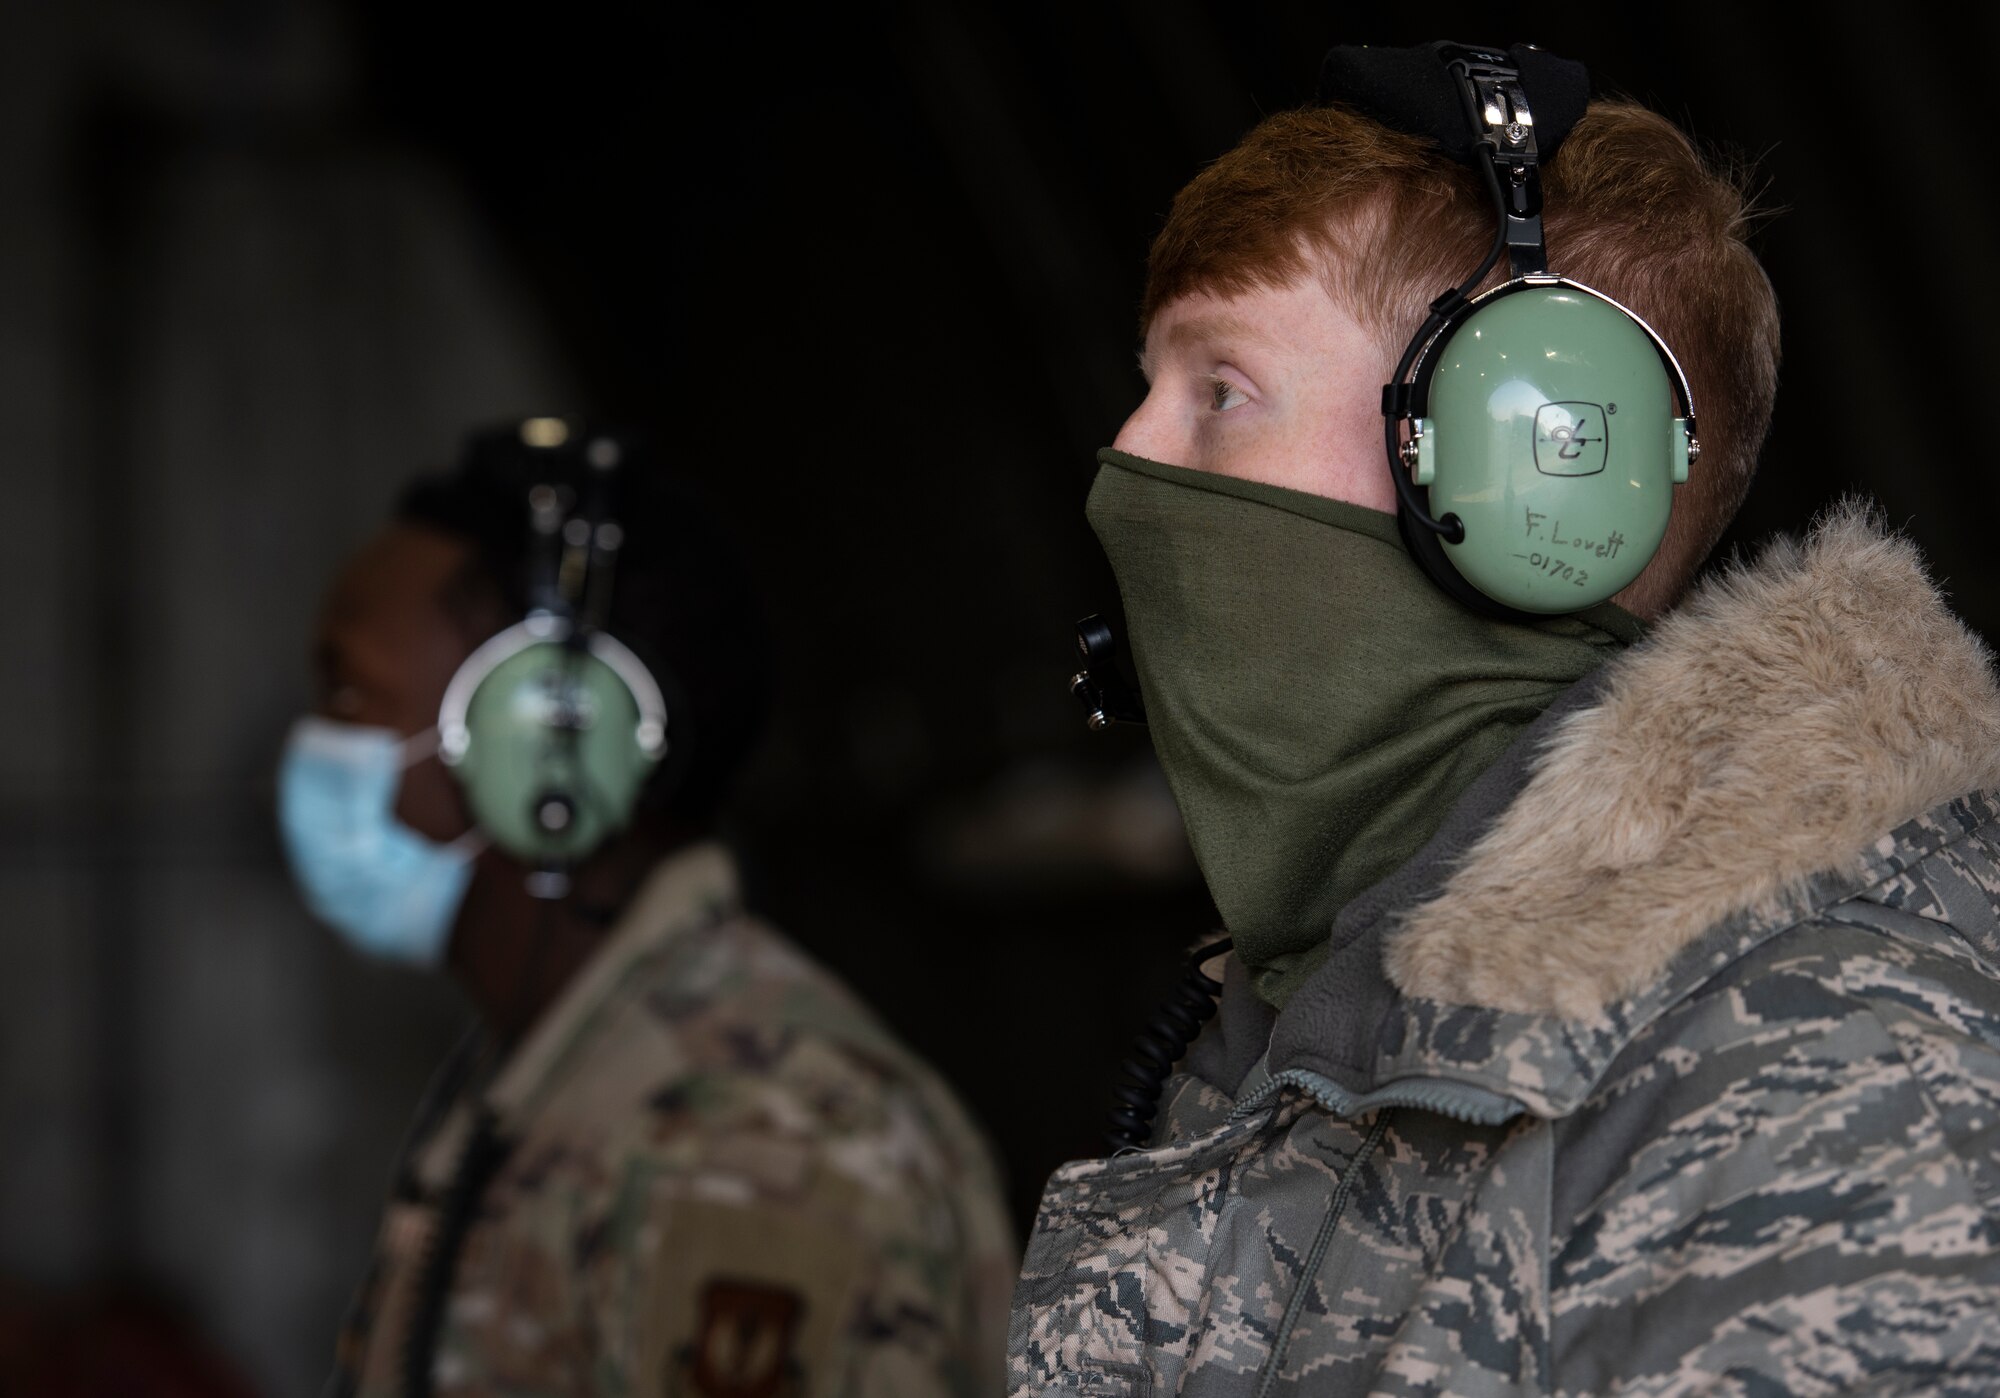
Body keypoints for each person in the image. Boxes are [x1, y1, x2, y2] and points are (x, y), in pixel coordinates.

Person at [1012, 42, 2000, 1396]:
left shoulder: (1819, 1080)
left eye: (1219, 389)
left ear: (1536, 472)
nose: (1127, 458)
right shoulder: (1302, 1036)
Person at [280, 419, 1015, 1397]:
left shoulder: (753, 1143)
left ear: (544, 745)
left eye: (348, 691)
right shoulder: (561, 1076)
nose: (305, 748)